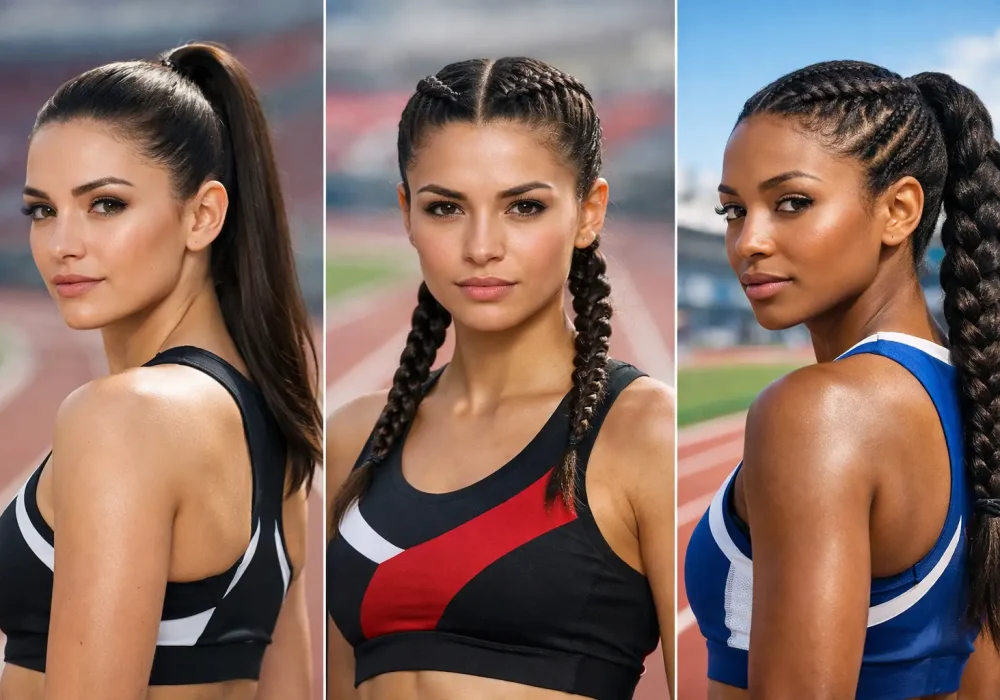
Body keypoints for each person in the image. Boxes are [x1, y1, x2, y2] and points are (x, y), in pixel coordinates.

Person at [326, 57, 675, 700]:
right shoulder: (354, 437)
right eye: (446, 208)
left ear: (588, 212)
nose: (481, 246)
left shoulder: (645, 433)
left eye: (524, 206)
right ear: (407, 213)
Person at [0, 42, 321, 700]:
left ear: (202, 214)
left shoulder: (125, 415)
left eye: (106, 204)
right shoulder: (270, 421)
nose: (62, 243)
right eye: (42, 209)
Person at [685, 60, 1000, 698]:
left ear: (899, 210)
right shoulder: (974, 395)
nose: (749, 241)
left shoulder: (818, 412)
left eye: (791, 203)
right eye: (732, 211)